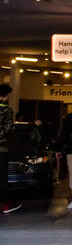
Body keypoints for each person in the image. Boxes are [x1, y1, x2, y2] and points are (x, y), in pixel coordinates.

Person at [0, 82, 21, 216]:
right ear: (6, 95)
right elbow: (9, 129)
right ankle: (6, 205)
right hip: (1, 149)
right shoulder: (7, 110)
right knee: (2, 177)